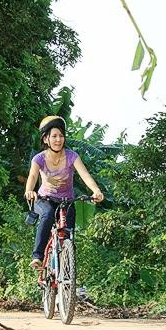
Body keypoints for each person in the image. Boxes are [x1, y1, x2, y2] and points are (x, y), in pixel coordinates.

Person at [24, 115, 104, 269]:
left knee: (68, 235)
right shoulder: (38, 159)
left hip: (66, 201)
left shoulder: (72, 156)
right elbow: (33, 176)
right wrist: (29, 190)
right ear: (45, 139)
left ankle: (65, 273)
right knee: (47, 216)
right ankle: (37, 257)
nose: (58, 139)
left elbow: (85, 175)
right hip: (44, 200)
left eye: (61, 136)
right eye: (54, 136)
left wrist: (96, 190)